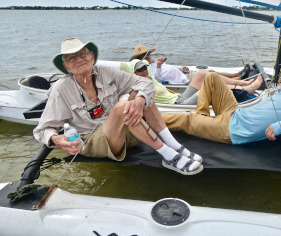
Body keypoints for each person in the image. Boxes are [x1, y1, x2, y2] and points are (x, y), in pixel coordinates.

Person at [33, 37, 203, 176]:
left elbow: (144, 83)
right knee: (123, 106)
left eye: (82, 54)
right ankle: (168, 156)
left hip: (125, 132)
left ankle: (172, 144)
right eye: (72, 58)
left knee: (141, 94)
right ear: (66, 66)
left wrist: (140, 100)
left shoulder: (107, 73)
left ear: (91, 56)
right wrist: (56, 139)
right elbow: (42, 129)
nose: (79, 60)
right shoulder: (61, 89)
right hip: (95, 142)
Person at [161, 59, 281, 145]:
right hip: (234, 112)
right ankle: (201, 116)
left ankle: (146, 118)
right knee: (210, 77)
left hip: (231, 130)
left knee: (186, 120)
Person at [128, 59, 263, 105]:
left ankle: (244, 83)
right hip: (179, 105)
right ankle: (247, 89)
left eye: (144, 67)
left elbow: (157, 77)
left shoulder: (150, 77)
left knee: (203, 74)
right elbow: (131, 101)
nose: (144, 70)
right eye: (139, 69)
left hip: (180, 97)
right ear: (134, 73)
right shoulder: (139, 86)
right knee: (210, 83)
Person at [129, 44, 251, 86]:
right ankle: (238, 80)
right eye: (143, 56)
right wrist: (160, 67)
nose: (147, 57)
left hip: (184, 74)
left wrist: (180, 69)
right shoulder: (146, 69)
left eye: (148, 54)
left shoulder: (156, 62)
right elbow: (157, 81)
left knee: (212, 72)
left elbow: (169, 69)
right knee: (210, 77)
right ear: (140, 59)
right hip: (183, 81)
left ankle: (235, 75)